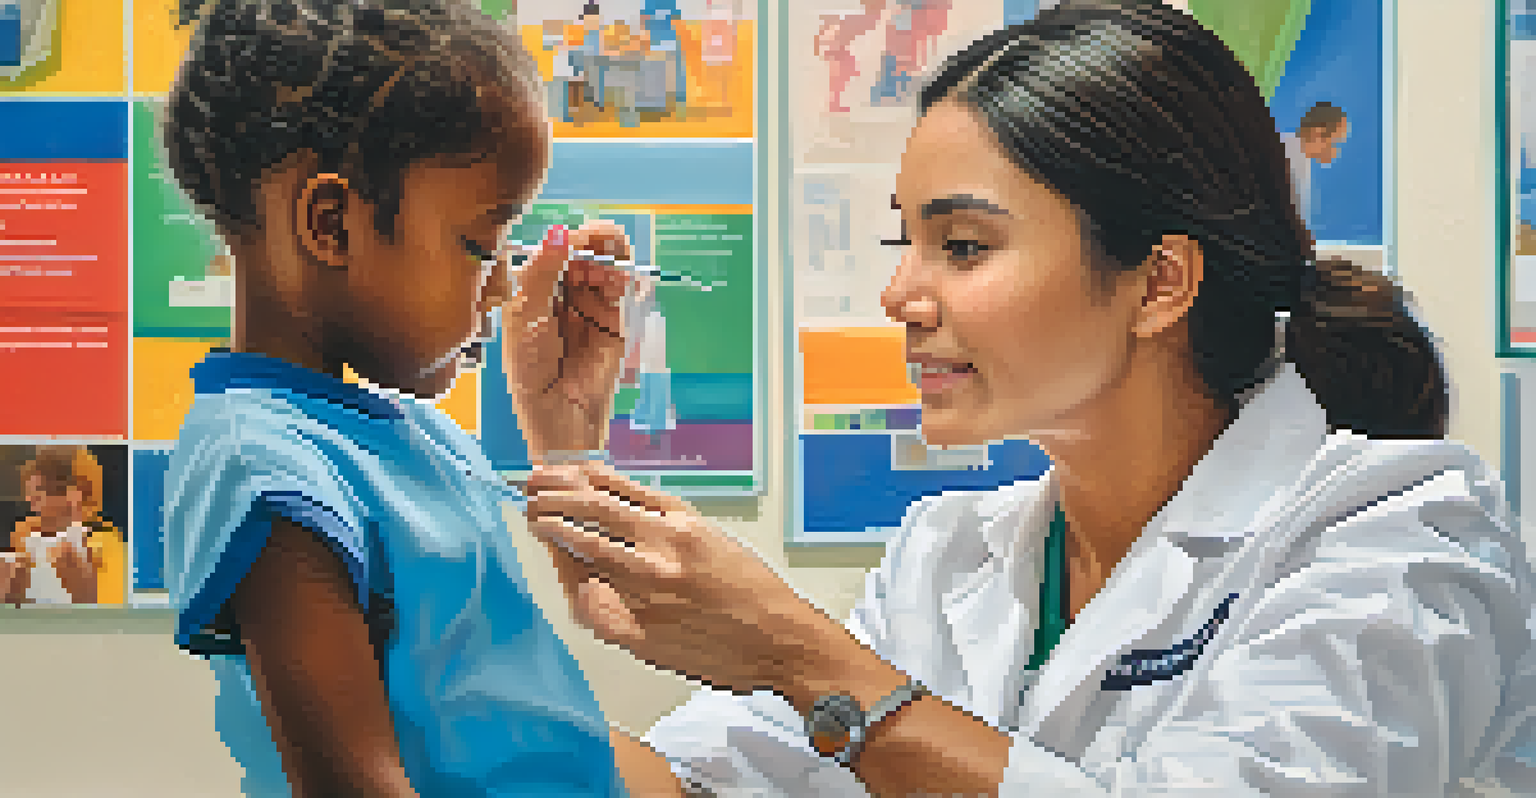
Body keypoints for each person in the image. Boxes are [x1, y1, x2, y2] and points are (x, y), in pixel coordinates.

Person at [521, 1, 1536, 795]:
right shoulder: (952, 555)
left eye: (963, 246)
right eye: (903, 242)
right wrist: (559, 480)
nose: (898, 295)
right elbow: (701, 783)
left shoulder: (1404, 541)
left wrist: (801, 656)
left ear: (1160, 283)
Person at [157, 1, 682, 796]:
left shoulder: (400, 432)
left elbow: (519, 718)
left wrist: (569, 442)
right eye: (481, 244)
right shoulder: (266, 471)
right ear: (331, 225)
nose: (504, 283)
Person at [2, 446, 125, 605]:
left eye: (39, 493)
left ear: (74, 494)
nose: (31, 505)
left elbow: (104, 611)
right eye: (29, 494)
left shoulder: (104, 541)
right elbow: (18, 605)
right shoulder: (25, 535)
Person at [1280, 101, 1349, 230]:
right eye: (1336, 143)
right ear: (1317, 134)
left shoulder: (1300, 157)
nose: (1337, 151)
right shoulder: (1286, 154)